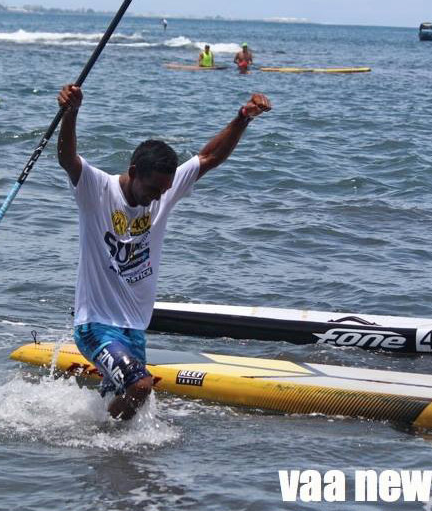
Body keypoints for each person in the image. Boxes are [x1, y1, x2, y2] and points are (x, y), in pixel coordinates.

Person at [55, 84, 271, 420]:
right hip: (96, 324)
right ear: (133, 172)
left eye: (165, 190)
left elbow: (208, 158)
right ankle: (99, 441)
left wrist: (243, 118)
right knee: (140, 387)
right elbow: (68, 159)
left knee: (122, 404)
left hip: (135, 328)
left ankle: (102, 455)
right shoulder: (96, 190)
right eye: (153, 188)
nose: (158, 198)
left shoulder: (162, 192)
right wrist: (71, 113)